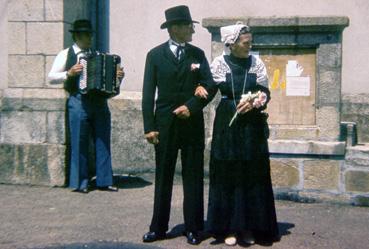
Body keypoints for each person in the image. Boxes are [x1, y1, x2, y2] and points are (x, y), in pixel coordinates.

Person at [195, 22, 279, 246]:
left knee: (251, 174)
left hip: (251, 127)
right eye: (245, 42)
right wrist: (199, 88)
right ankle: (230, 229)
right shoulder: (220, 64)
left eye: (250, 42)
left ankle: (250, 228)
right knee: (229, 174)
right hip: (228, 125)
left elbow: (265, 92)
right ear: (231, 44)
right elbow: (209, 88)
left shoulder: (256, 63)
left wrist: (257, 102)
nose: (249, 46)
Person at [141, 5, 213, 245]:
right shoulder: (155, 55)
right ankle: (158, 228)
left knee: (193, 176)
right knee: (163, 177)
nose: (192, 29)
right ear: (174, 28)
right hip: (164, 125)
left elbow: (209, 86)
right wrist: (149, 127)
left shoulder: (198, 54)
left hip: (191, 124)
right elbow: (148, 94)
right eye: (187, 25)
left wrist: (191, 106)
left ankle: (194, 228)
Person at [48, 19, 124, 194]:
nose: (90, 38)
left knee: (103, 140)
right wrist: (68, 73)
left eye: (90, 34)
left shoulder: (98, 54)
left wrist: (117, 76)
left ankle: (104, 181)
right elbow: (51, 77)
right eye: (86, 34)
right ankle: (80, 183)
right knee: (79, 142)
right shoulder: (65, 54)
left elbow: (109, 81)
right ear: (76, 36)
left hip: (99, 103)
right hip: (78, 102)